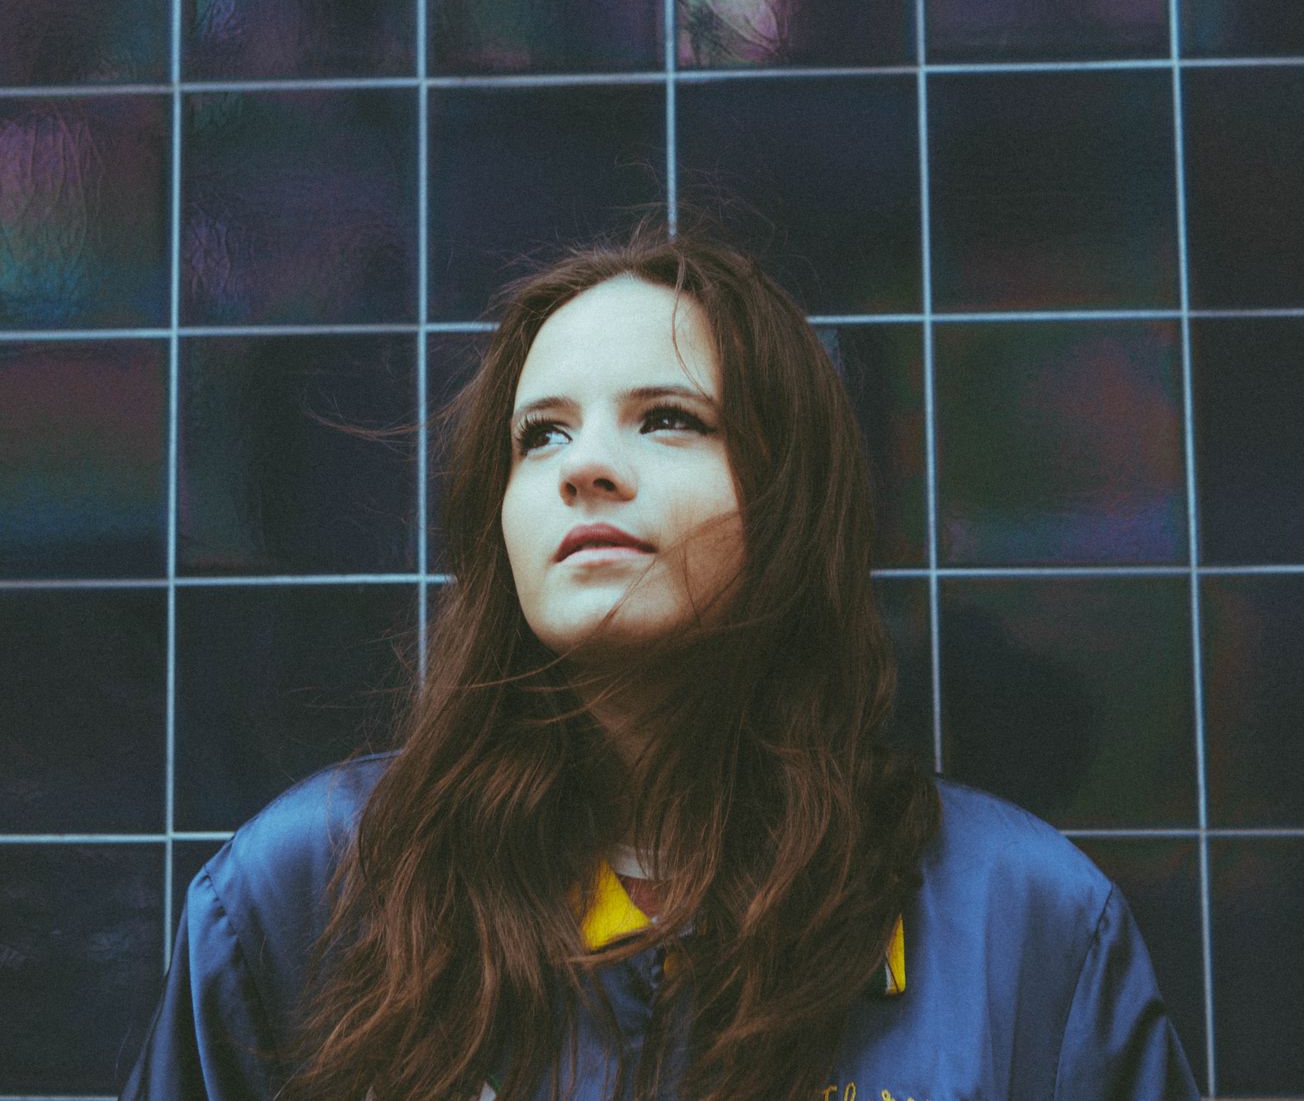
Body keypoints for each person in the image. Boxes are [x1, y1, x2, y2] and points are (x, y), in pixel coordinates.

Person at [121, 226, 1200, 1100]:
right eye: (536, 436)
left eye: (668, 419)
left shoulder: (1021, 921)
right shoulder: (306, 890)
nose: (583, 465)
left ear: (786, 504)